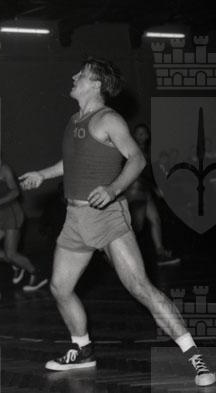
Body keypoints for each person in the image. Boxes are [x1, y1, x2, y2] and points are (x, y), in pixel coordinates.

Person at [19, 58, 215, 386]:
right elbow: (71, 163)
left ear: (96, 84)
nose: (74, 76)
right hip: (76, 218)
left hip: (107, 216)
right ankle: (82, 350)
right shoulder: (75, 119)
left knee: (140, 287)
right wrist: (42, 174)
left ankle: (196, 359)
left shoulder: (108, 119)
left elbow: (137, 159)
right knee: (60, 288)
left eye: (81, 74)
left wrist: (112, 189)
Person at [0, 138, 47, 291]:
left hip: (11, 213)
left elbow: (15, 191)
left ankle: (37, 274)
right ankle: (17, 264)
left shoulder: (3, 169)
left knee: (11, 254)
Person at [125, 123, 180, 266]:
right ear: (134, 135)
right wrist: (155, 188)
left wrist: (155, 187)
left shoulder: (147, 152)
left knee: (155, 220)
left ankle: (160, 253)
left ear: (148, 136)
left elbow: (149, 173)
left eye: (144, 133)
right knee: (136, 226)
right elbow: (138, 173)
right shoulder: (131, 149)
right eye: (138, 133)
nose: (141, 136)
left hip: (145, 191)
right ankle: (120, 256)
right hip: (135, 191)